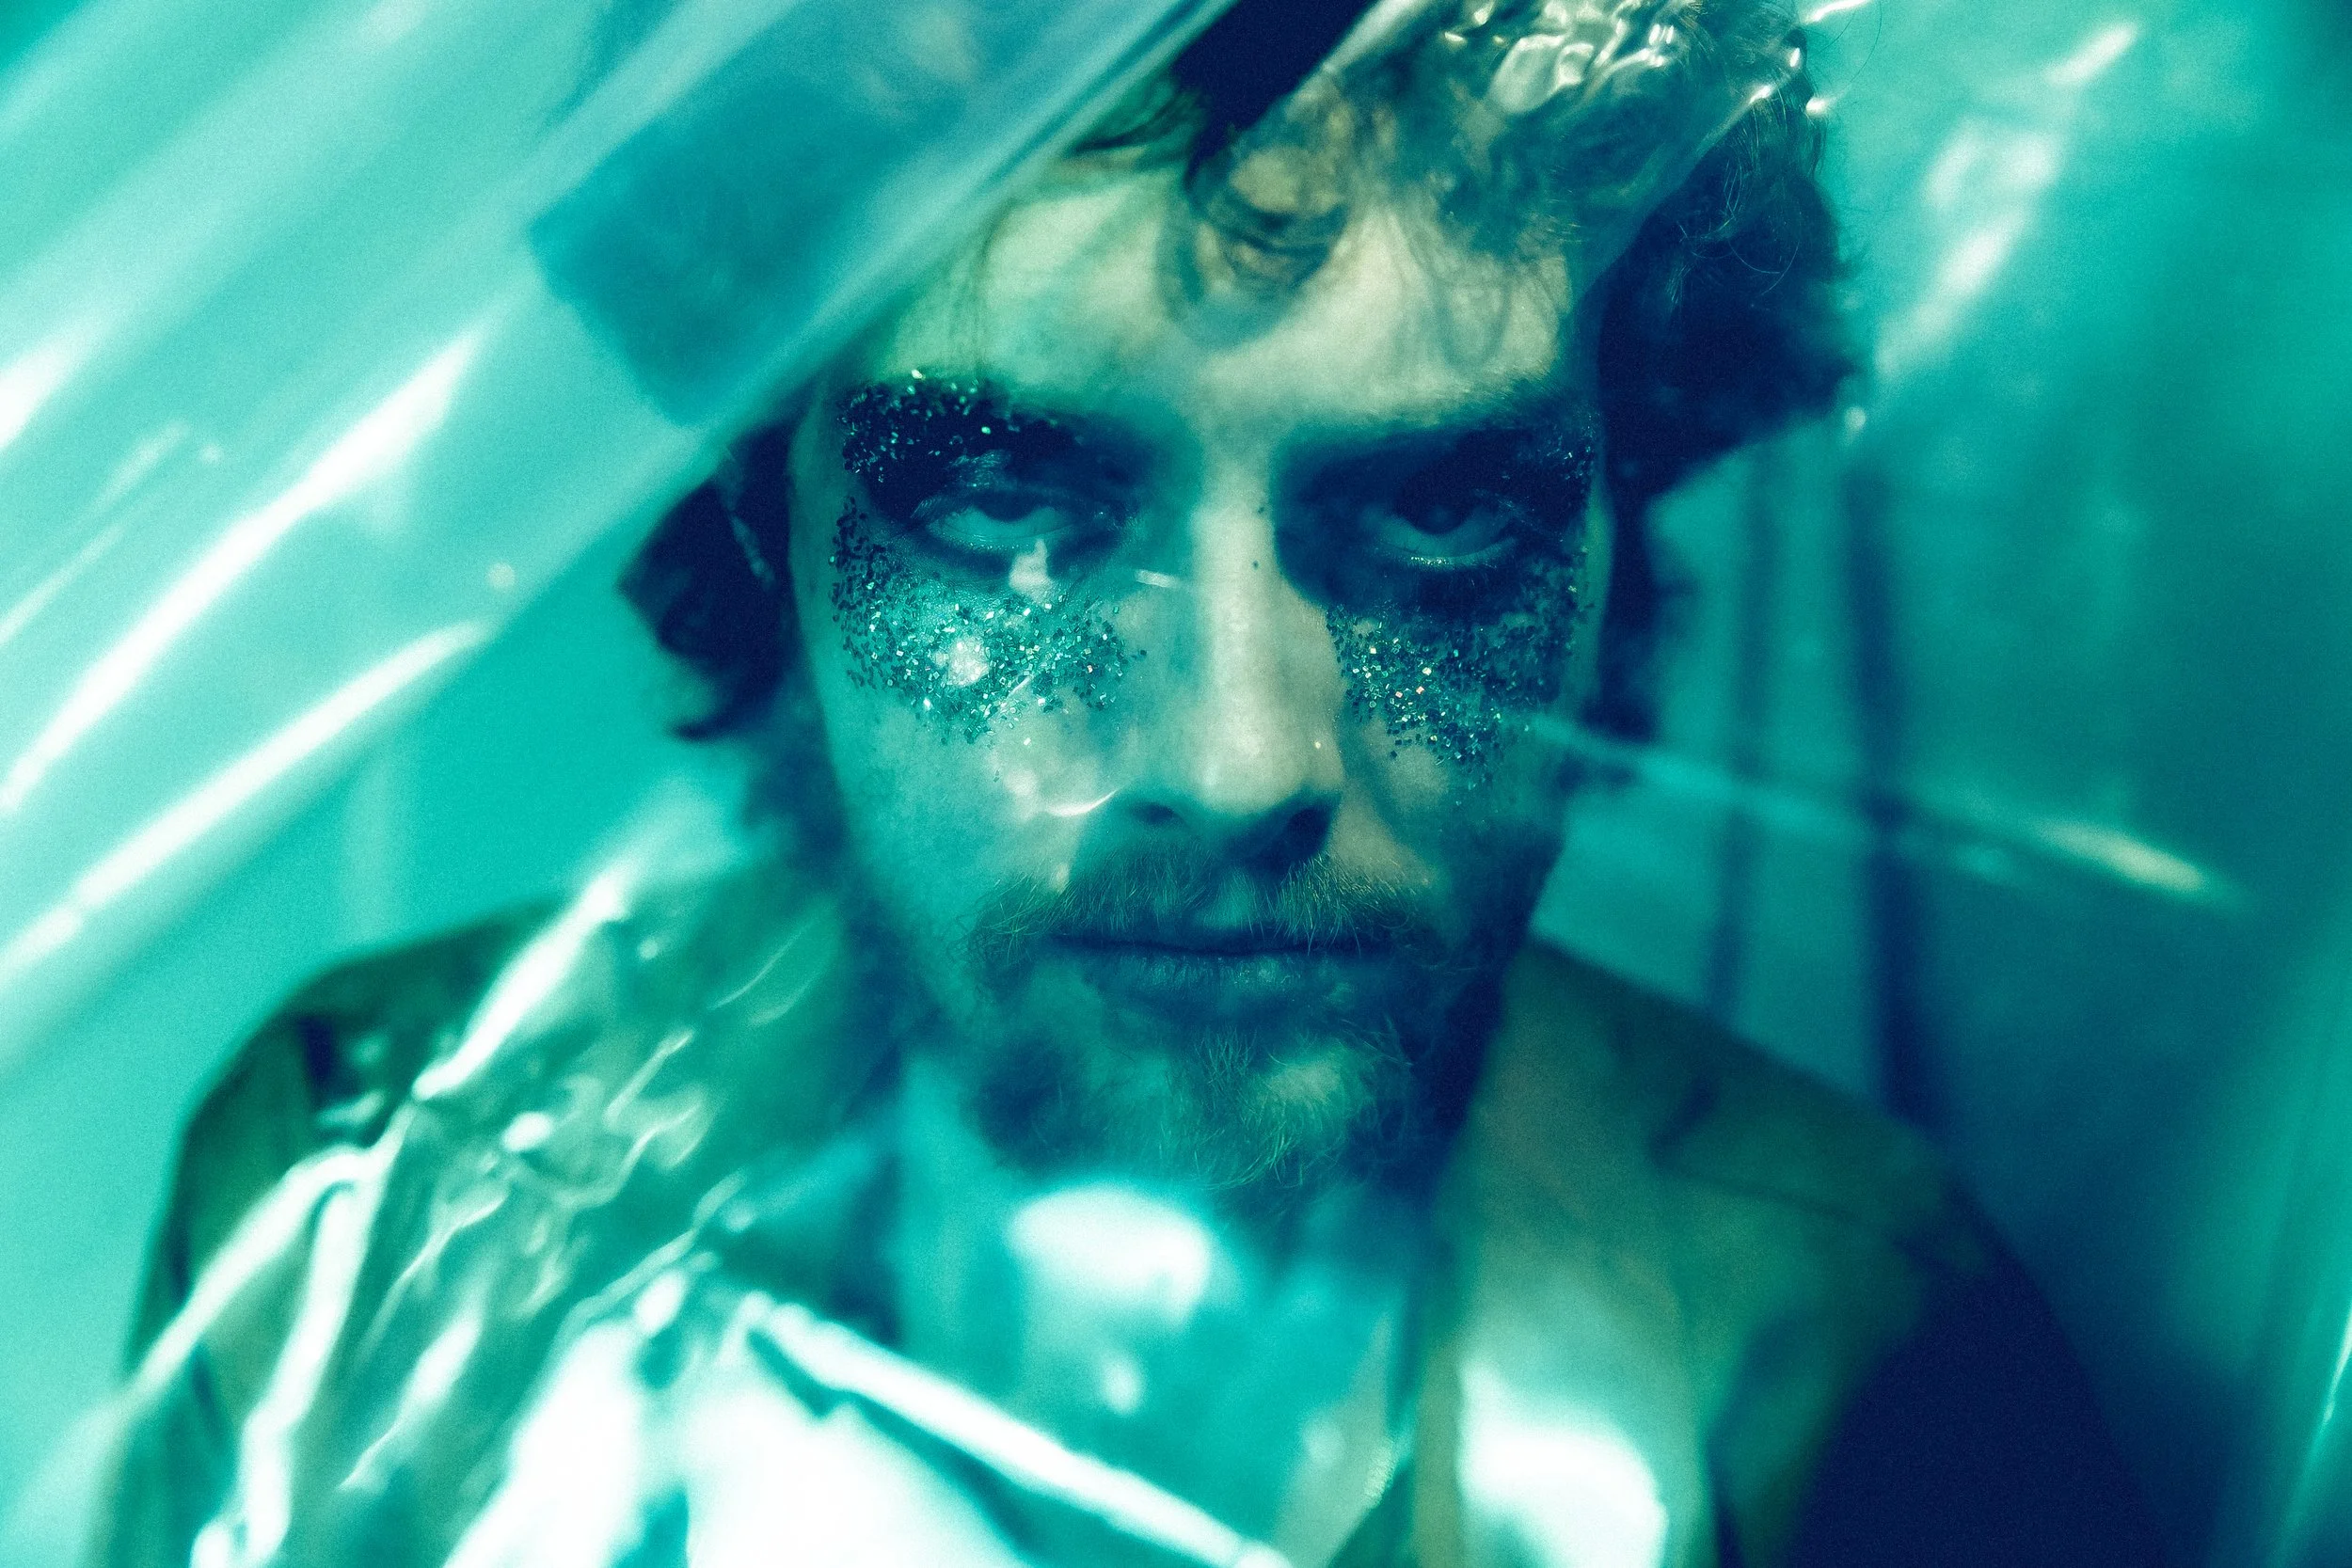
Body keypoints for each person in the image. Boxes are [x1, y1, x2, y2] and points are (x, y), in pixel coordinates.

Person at [97, 2, 2163, 1565]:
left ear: (1616, 525)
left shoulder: (1849, 1372)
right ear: (759, 522)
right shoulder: (373, 1212)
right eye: (1005, 508)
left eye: (1440, 515)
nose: (1235, 757)